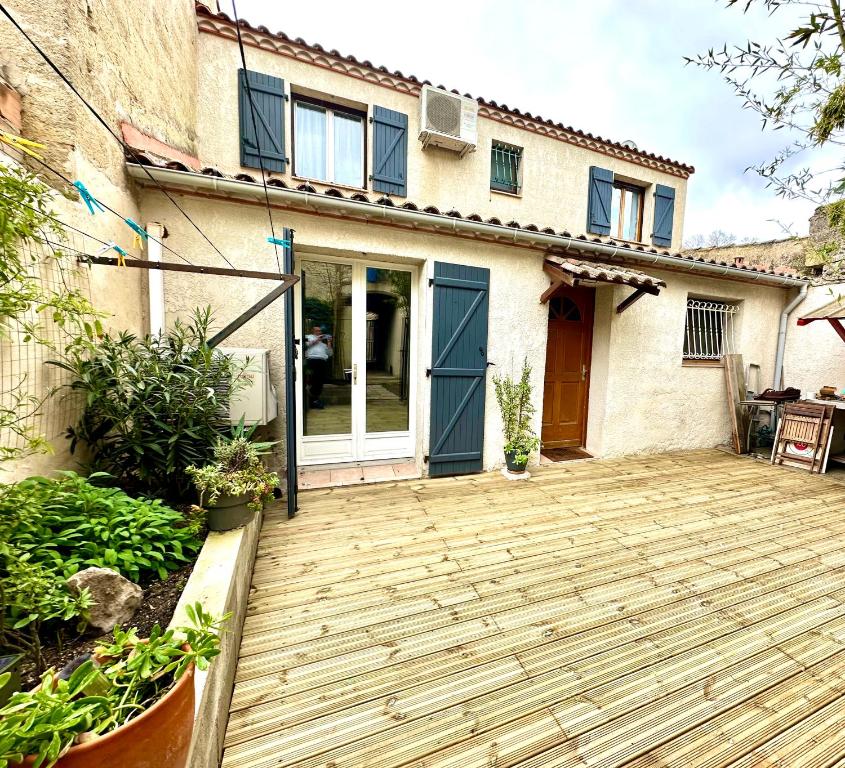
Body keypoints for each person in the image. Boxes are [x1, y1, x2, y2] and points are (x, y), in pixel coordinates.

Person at [305, 324, 332, 409]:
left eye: (320, 331)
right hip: (312, 361)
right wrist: (317, 339)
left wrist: (329, 342)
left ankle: (315, 399)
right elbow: (305, 345)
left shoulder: (323, 344)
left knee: (320, 382)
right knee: (312, 380)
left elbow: (330, 353)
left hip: (322, 362)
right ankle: (312, 400)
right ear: (312, 331)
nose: (319, 332)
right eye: (317, 330)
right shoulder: (308, 337)